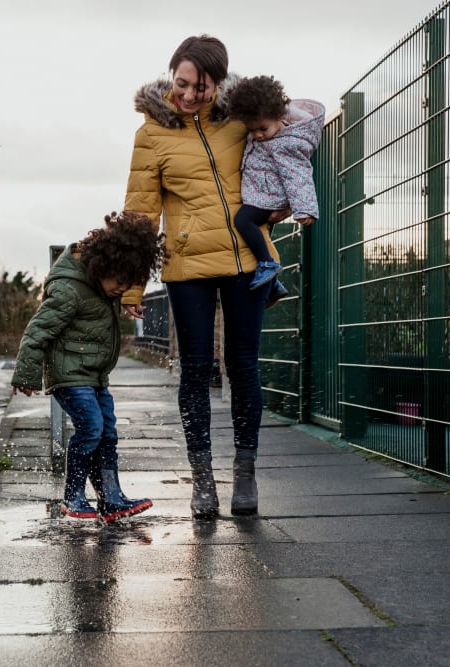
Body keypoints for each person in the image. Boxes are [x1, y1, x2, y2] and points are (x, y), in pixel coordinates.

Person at [124, 34, 291, 518]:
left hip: (246, 261)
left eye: (202, 86)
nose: (190, 95)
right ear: (171, 76)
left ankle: (245, 474)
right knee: (196, 369)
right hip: (188, 266)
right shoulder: (151, 133)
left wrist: (281, 205)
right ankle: (202, 481)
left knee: (244, 367)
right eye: (183, 84)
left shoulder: (240, 117)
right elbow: (140, 213)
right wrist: (133, 286)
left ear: (218, 82)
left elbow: (284, 152)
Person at [11, 211, 167, 523]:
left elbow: (113, 297)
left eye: (129, 282)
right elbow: (37, 331)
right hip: (68, 375)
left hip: (94, 376)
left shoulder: (102, 284)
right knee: (91, 428)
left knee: (108, 432)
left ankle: (111, 498)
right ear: (102, 266)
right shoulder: (69, 289)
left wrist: (128, 298)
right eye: (120, 282)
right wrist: (26, 374)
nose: (122, 288)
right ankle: (73, 496)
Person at [228, 75, 325, 295]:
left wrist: (305, 208)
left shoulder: (287, 142)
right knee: (262, 237)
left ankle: (268, 265)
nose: (257, 135)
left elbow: (298, 175)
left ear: (279, 115)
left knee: (243, 220)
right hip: (263, 190)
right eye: (252, 130)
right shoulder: (272, 132)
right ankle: (273, 284)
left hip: (269, 195)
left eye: (263, 129)